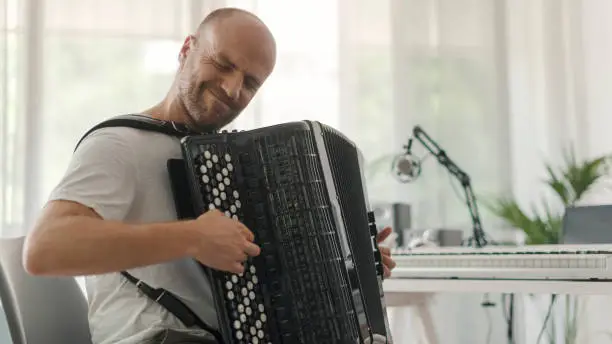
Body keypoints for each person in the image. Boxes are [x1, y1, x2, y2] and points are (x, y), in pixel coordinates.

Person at [23, 7, 397, 344]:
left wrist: (352, 262)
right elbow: (45, 249)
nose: (232, 88)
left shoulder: (227, 158)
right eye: (222, 63)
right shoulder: (120, 145)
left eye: (250, 83)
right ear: (187, 49)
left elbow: (262, 270)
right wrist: (190, 237)